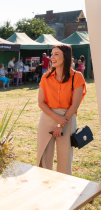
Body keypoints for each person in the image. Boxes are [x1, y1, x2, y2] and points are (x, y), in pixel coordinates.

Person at [37, 44, 86, 175]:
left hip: (67, 118)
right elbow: (41, 103)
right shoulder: (45, 77)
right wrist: (57, 118)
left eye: (56, 54)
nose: (52, 57)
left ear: (66, 57)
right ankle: (44, 186)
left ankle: (63, 190)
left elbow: (75, 104)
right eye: (51, 54)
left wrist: (60, 123)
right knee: (43, 157)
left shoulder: (77, 77)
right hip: (47, 117)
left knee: (65, 159)